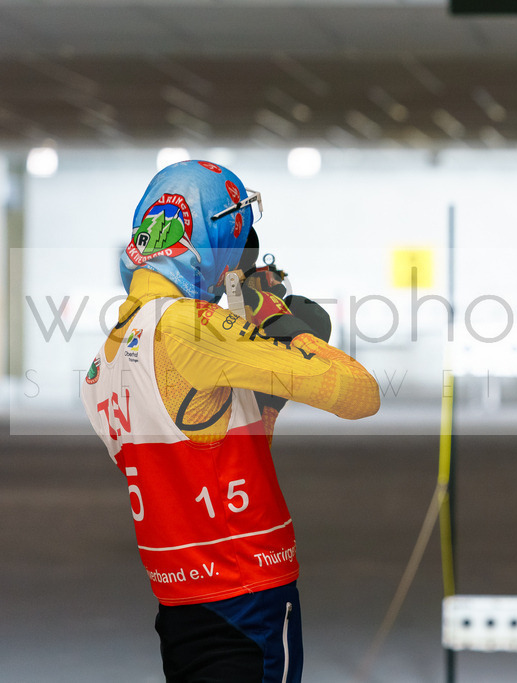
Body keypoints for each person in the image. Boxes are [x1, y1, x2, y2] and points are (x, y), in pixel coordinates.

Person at [81, 160, 380, 682]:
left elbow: (209, 445)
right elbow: (360, 393)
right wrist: (270, 316)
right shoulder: (192, 327)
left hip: (179, 607)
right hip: (249, 597)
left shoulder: (101, 364)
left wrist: (257, 374)